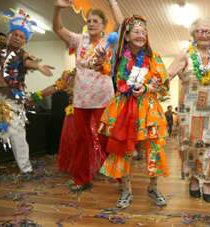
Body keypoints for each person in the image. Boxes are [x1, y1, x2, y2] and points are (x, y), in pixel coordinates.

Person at [98, 15, 169, 209]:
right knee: (124, 150)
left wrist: (148, 88)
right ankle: (126, 190)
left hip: (148, 110)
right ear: (127, 36)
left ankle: (153, 187)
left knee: (154, 147)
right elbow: (100, 67)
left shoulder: (154, 58)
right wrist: (97, 60)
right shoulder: (117, 56)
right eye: (137, 31)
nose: (142, 35)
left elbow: (162, 84)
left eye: (144, 32)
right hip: (123, 108)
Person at [52, 0, 123, 191]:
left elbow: (122, 24)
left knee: (105, 138)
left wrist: (113, 2)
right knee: (81, 139)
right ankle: (82, 179)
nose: (91, 23)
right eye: (89, 20)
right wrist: (58, 8)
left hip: (103, 99)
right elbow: (57, 28)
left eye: (95, 21)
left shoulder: (111, 40)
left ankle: (120, 178)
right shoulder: (79, 39)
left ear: (103, 25)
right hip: (81, 99)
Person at [168, 17, 210, 202]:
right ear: (193, 33)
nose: (204, 34)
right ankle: (194, 179)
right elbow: (168, 74)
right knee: (190, 144)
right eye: (200, 31)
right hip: (190, 111)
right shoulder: (185, 54)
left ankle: (207, 181)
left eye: (208, 31)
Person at [0, 9, 54, 177]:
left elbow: (28, 62)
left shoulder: (22, 54)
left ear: (25, 41)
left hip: (12, 100)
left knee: (17, 134)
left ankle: (26, 169)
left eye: (22, 36)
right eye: (15, 34)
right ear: (9, 34)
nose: (17, 37)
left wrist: (39, 66)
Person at [31, 69, 76, 173]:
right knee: (68, 140)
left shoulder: (83, 80)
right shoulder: (63, 83)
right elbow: (50, 90)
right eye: (63, 76)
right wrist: (34, 97)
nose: (64, 78)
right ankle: (71, 165)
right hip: (70, 116)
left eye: (67, 77)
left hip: (81, 114)